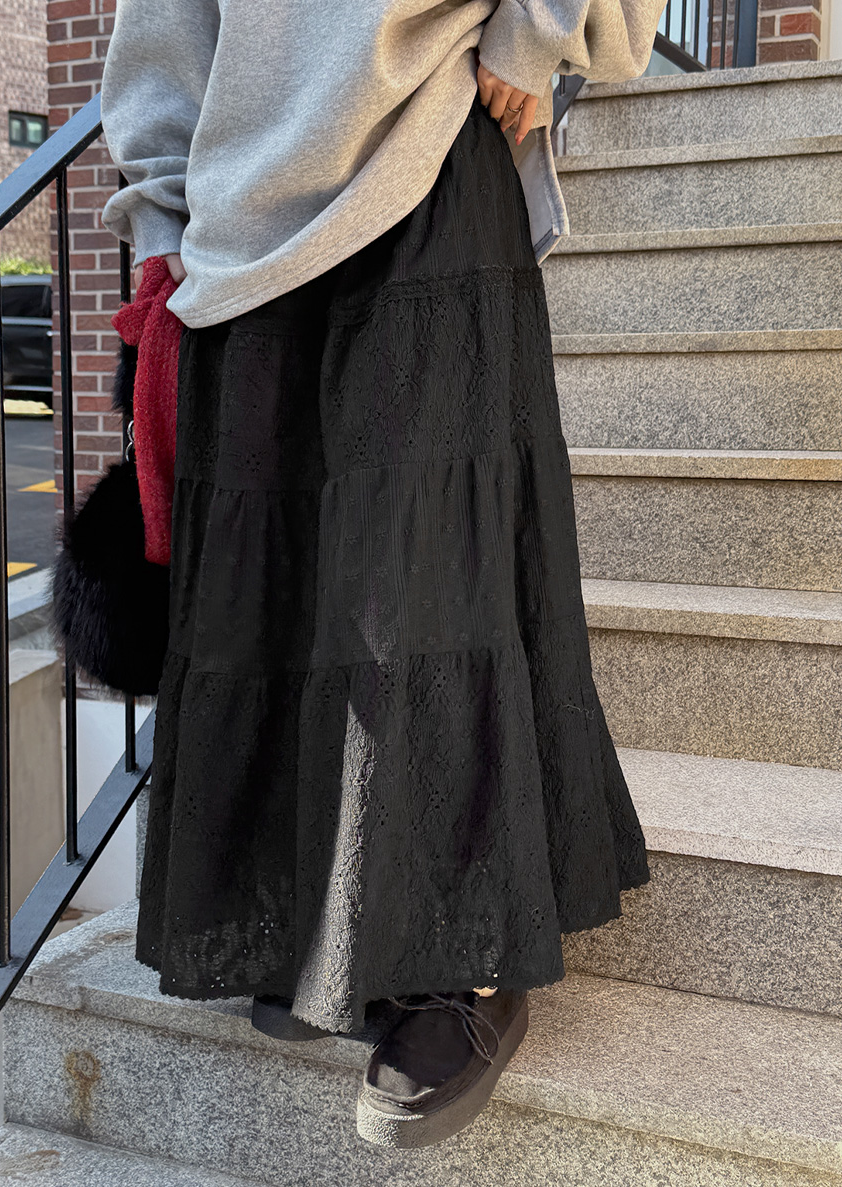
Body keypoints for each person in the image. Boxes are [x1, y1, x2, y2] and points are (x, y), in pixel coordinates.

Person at [99, 0, 666, 1150]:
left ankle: (461, 956)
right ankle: (322, 922)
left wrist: (535, 29)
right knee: (288, 589)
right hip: (238, 222)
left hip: (426, 146)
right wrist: (162, 206)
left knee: (427, 587)